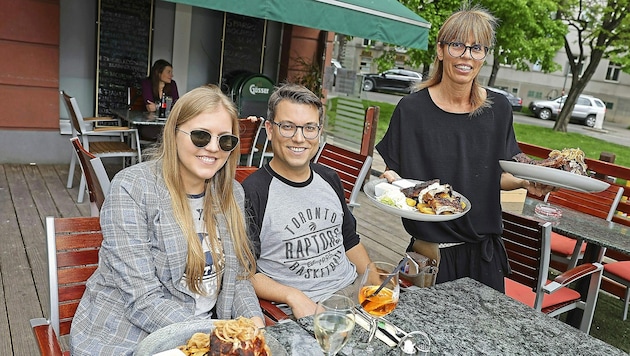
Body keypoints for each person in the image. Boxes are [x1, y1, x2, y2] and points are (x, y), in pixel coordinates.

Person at [70, 85, 264, 355]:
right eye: (200, 136)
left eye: (225, 140)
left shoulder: (231, 194)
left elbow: (238, 278)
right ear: (174, 133)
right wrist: (218, 338)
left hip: (203, 337)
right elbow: (142, 299)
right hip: (128, 337)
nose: (213, 148)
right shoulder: (133, 188)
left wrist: (254, 325)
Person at [375, 5, 553, 292]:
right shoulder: (411, 110)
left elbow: (498, 175)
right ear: (441, 50)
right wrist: (392, 182)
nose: (467, 56)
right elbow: (395, 173)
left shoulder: (499, 110)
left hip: (484, 257)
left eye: (477, 48)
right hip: (429, 254)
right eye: (457, 45)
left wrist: (526, 181)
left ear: (484, 55)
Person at [242, 83, 372, 319]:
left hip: (353, 293)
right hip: (304, 310)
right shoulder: (253, 192)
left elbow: (350, 242)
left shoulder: (329, 178)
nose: (299, 138)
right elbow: (245, 273)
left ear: (319, 132)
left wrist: (375, 284)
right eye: (288, 127)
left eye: (309, 128)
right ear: (270, 130)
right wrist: (293, 296)